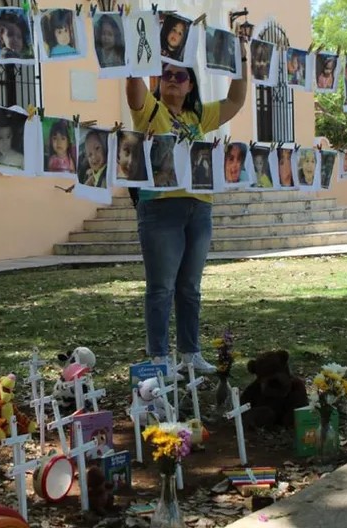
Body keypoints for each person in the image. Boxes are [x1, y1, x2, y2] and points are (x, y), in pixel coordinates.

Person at [126, 28, 248, 372]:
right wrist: (138, 51)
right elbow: (133, 90)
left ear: (191, 85)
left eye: (181, 76)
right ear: (159, 81)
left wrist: (242, 56)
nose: (174, 80)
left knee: (190, 287)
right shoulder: (151, 112)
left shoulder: (198, 118)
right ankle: (159, 357)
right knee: (161, 287)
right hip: (161, 207)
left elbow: (236, 100)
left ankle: (190, 354)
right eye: (167, 75)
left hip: (199, 208)